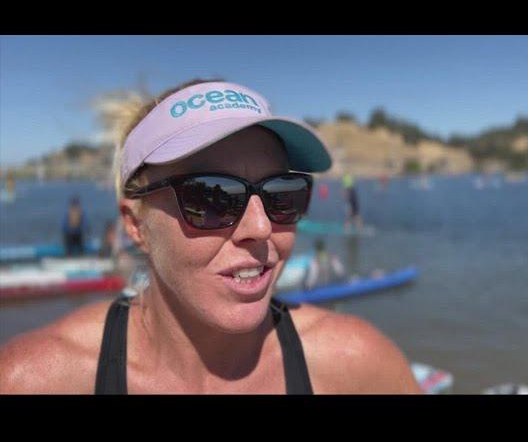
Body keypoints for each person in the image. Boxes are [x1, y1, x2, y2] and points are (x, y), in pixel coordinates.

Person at [0, 79, 420, 394]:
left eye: (282, 195)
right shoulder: (35, 379)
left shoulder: (358, 366)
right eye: (211, 198)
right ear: (135, 224)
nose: (260, 229)